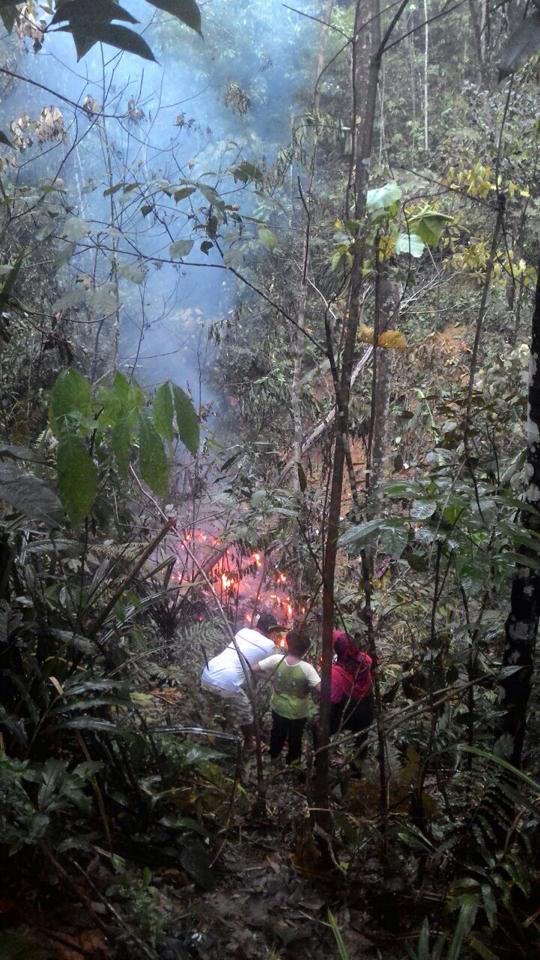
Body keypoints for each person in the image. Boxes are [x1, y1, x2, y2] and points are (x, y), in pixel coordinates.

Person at [201, 612, 283, 750]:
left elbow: (249, 664)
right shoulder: (269, 645)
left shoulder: (243, 631)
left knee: (219, 707)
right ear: (271, 630)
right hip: (227, 681)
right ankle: (249, 744)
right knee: (245, 711)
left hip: (208, 672)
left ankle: (217, 738)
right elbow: (264, 670)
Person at [254, 628, 321, 766]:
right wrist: (308, 689)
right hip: (298, 712)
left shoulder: (276, 660)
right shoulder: (307, 669)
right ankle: (293, 763)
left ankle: (274, 757)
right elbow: (321, 690)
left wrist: (271, 678)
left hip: (278, 707)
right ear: (305, 650)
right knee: (295, 738)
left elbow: (253, 668)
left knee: (277, 733)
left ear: (288, 644)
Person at [330, 629, 374, 741]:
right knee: (362, 739)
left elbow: (334, 699)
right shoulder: (366, 659)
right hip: (367, 711)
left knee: (317, 728)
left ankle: (320, 756)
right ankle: (361, 754)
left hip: (348, 714)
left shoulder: (336, 672)